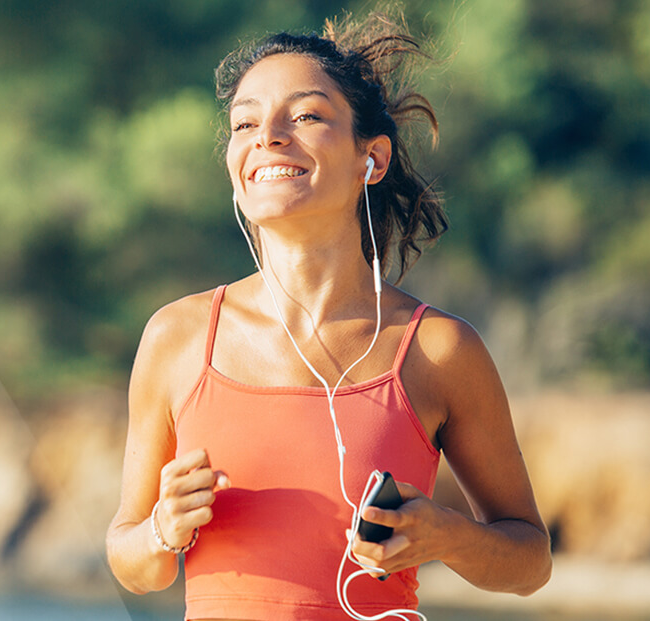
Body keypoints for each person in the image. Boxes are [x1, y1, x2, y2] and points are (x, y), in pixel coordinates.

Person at [106, 11, 551, 621]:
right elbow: (133, 564)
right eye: (245, 122)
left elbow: (530, 561)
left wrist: (444, 535)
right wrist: (162, 527)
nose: (268, 135)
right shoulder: (177, 338)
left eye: (307, 115)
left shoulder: (438, 350)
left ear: (372, 158)